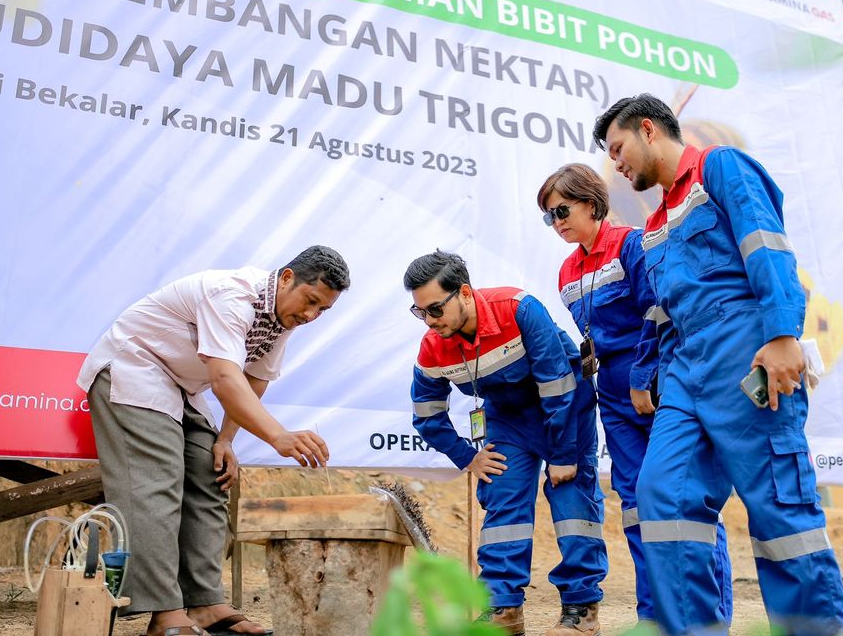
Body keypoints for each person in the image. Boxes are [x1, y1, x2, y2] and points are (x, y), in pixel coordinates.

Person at [593, 94, 843, 635]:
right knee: (663, 496)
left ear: (648, 129)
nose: (616, 163)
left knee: (779, 511)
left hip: (745, 348)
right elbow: (659, 311)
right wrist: (645, 376)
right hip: (684, 370)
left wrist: (782, 333)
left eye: (618, 149)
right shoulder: (655, 224)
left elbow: (767, 246)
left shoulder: (719, 166)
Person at [77, 246, 350, 636]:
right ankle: (165, 612)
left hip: (182, 387)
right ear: (287, 278)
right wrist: (278, 436)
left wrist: (225, 440)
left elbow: (254, 379)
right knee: (156, 481)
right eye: (311, 302)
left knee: (212, 471)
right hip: (134, 366)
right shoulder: (232, 294)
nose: (311, 315)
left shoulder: (283, 317)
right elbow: (224, 379)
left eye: (323, 310)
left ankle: (205, 604)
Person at [537, 163, 733, 628]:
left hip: (657, 383)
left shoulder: (631, 243)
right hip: (613, 395)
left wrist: (645, 378)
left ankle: (712, 618)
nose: (558, 221)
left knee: (685, 498)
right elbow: (590, 340)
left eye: (563, 209)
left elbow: (659, 312)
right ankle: (655, 617)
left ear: (591, 201)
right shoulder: (566, 270)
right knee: (635, 505)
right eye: (549, 216)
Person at [405, 251, 607, 636]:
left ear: (464, 293)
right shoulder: (434, 345)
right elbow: (426, 415)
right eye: (420, 313)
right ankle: (503, 611)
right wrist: (468, 457)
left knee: (572, 501)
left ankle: (581, 610)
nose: (430, 322)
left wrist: (563, 454)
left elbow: (558, 383)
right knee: (503, 501)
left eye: (435, 309)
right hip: (509, 420)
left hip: (563, 410)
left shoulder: (519, 308)